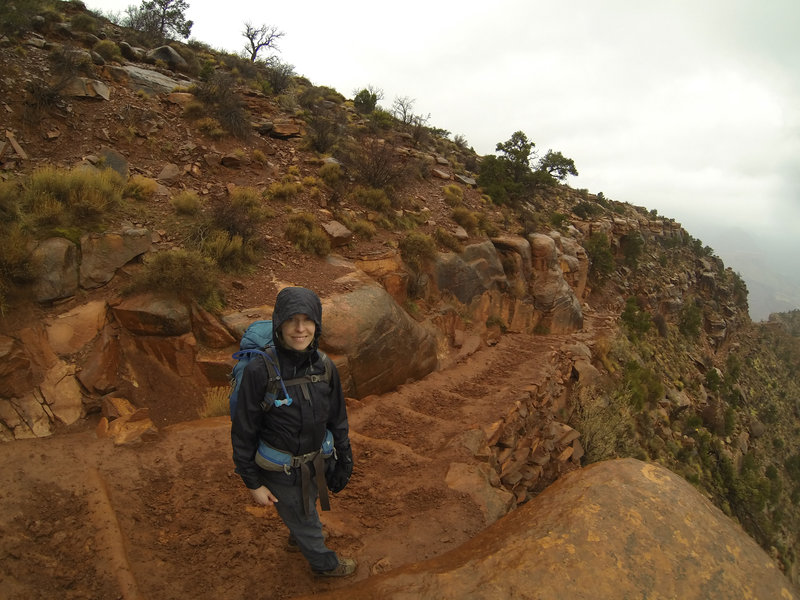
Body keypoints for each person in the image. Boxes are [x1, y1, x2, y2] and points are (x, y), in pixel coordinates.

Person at [231, 286, 356, 577]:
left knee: (306, 505)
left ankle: (296, 535)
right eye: (291, 320)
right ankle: (325, 566)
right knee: (307, 520)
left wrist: (345, 457)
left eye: (307, 320)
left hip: (316, 462)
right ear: (279, 324)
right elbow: (244, 431)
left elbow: (337, 417)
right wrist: (252, 483)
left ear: (317, 323)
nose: (300, 329)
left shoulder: (325, 367)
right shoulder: (259, 371)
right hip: (281, 471)